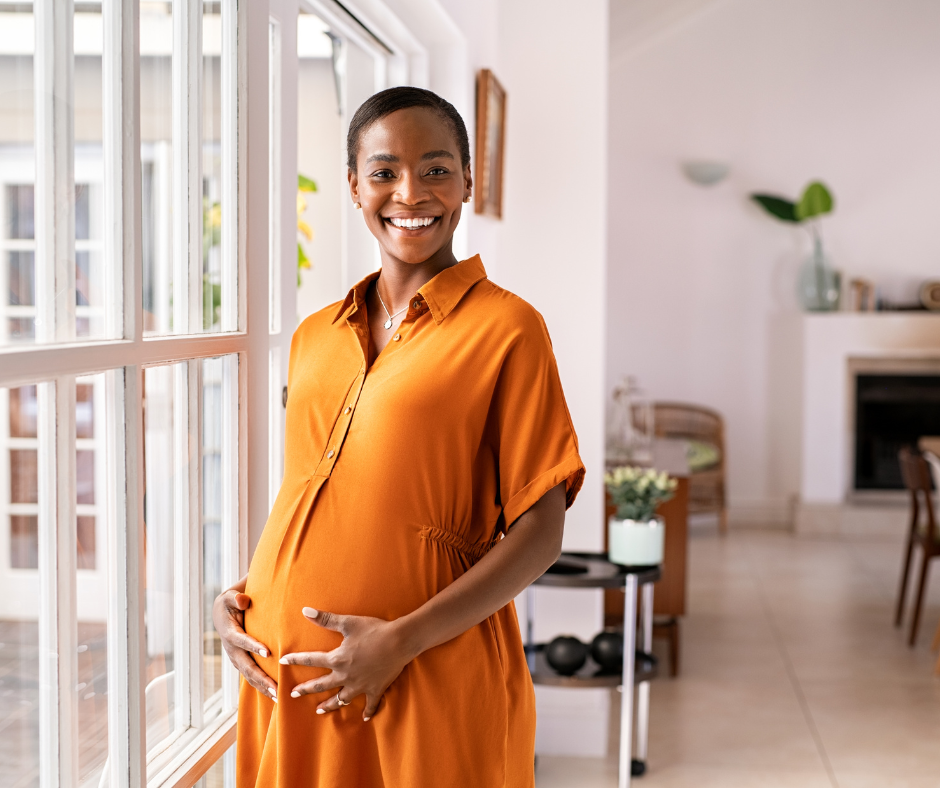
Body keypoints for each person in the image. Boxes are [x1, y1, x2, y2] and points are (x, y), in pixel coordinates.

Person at [213, 86, 585, 787]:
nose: (410, 192)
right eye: (384, 171)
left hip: (424, 669)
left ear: (468, 181)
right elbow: (314, 497)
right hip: (291, 680)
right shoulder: (312, 335)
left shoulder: (508, 329)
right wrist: (245, 594)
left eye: (436, 168)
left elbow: (541, 532)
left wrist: (399, 640)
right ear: (354, 186)